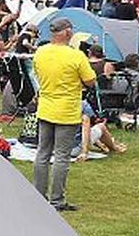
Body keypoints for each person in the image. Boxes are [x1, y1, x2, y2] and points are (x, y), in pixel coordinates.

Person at [32, 17, 95, 212]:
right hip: (66, 110)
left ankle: (38, 196)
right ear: (67, 32)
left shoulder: (40, 52)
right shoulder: (76, 56)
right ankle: (57, 200)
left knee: (42, 153)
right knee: (61, 156)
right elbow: (90, 81)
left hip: (45, 108)